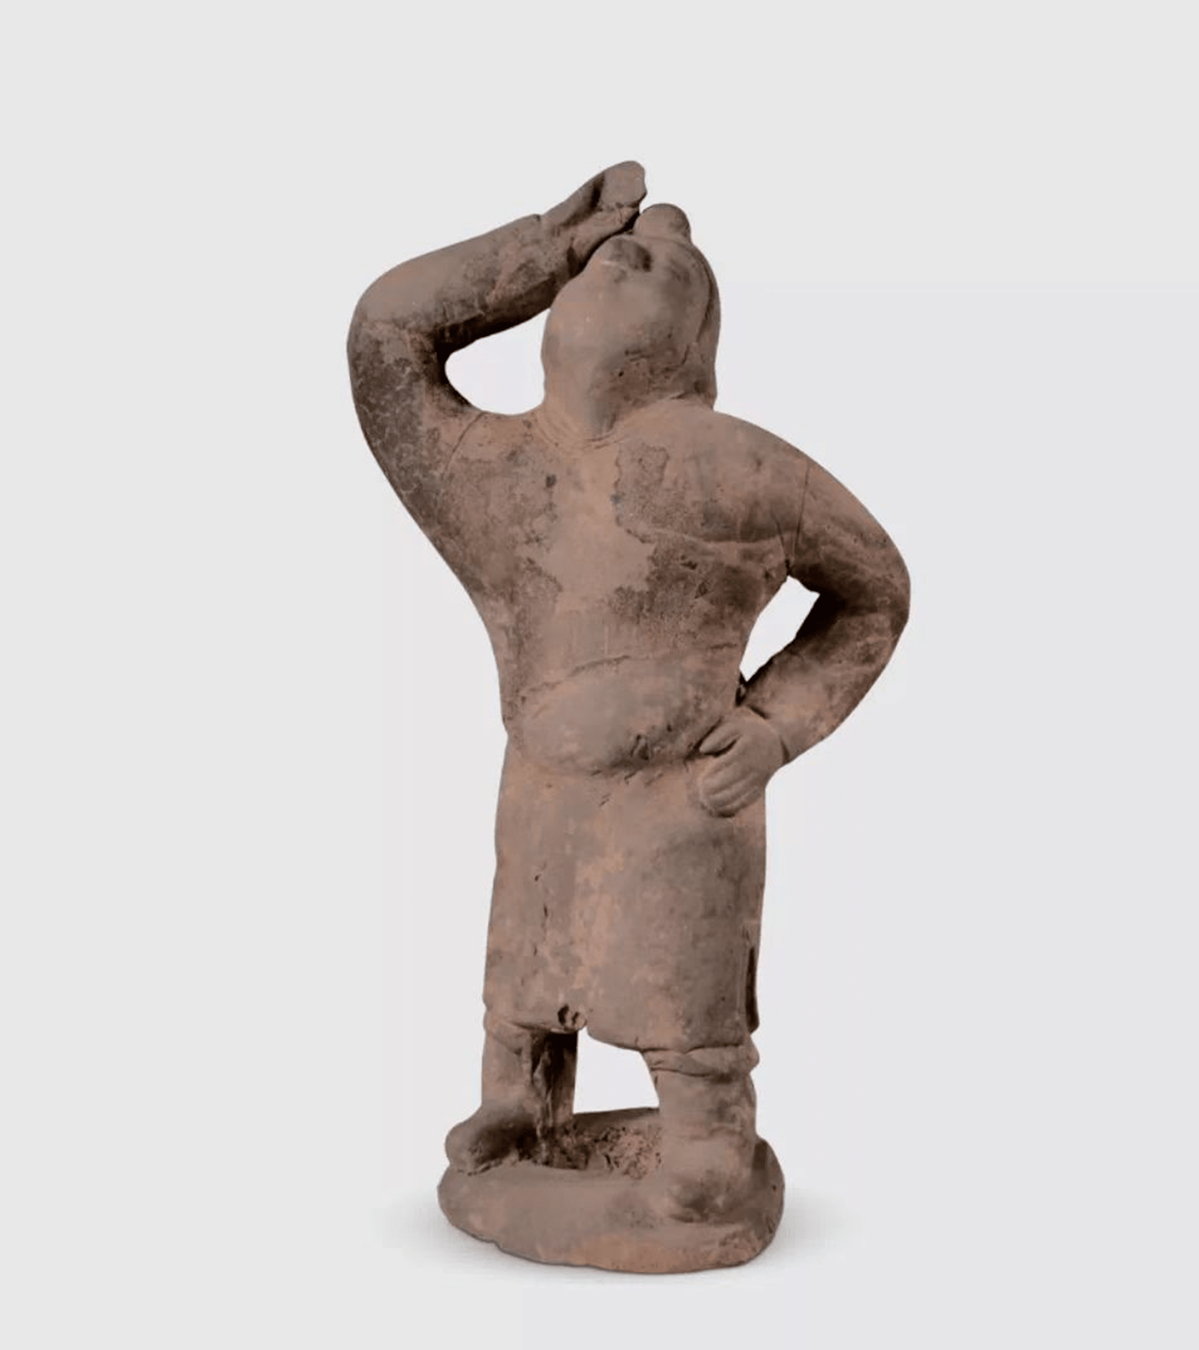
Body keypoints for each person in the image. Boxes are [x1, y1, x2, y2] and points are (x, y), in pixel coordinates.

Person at [348, 162, 909, 1220]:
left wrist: (775, 726)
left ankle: (706, 1139)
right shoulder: (491, 467)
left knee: (680, 974)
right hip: (541, 780)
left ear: (694, 343)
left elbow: (875, 591)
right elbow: (385, 338)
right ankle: (517, 1106)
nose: (617, 265)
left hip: (683, 791)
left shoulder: (740, 466)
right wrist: (536, 248)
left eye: (653, 266)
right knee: (526, 959)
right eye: (601, 264)